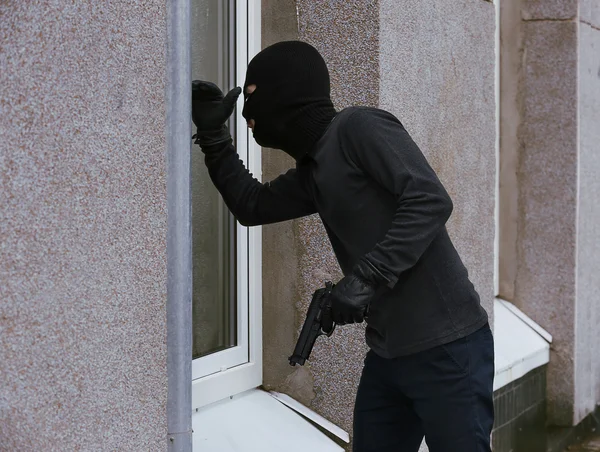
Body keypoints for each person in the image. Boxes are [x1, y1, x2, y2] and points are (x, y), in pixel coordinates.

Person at [191, 40, 494, 452]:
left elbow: (429, 199)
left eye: (254, 101)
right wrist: (213, 137)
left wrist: (367, 277)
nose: (247, 117)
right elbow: (252, 205)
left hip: (448, 347)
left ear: (288, 99)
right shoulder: (314, 169)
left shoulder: (358, 128)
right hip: (388, 355)